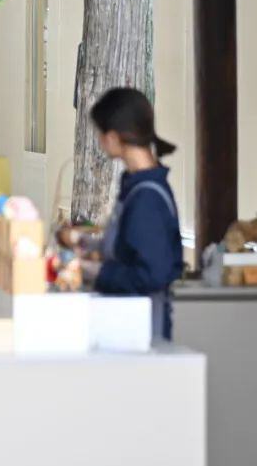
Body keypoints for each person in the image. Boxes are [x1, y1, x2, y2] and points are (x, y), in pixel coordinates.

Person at [82, 87, 183, 340]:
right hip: (125, 324)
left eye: (100, 133)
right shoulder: (135, 186)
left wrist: (95, 271)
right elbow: (126, 248)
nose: (100, 140)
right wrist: (86, 244)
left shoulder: (147, 197)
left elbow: (152, 274)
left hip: (143, 332)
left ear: (113, 137)